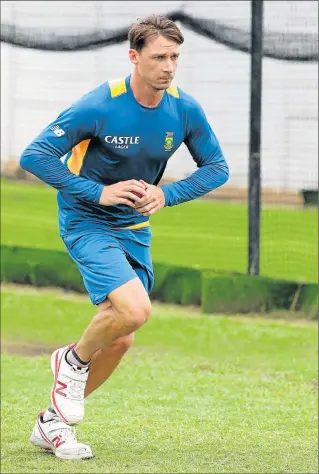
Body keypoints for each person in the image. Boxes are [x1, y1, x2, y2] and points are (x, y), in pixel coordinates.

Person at [20, 14, 229, 460]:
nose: (169, 67)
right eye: (159, 57)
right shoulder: (100, 104)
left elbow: (217, 168)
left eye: (175, 57)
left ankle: (52, 423)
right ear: (134, 57)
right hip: (86, 221)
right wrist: (98, 191)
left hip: (134, 229)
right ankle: (71, 361)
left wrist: (167, 194)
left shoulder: (184, 108)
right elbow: (35, 155)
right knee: (135, 310)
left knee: (121, 335)